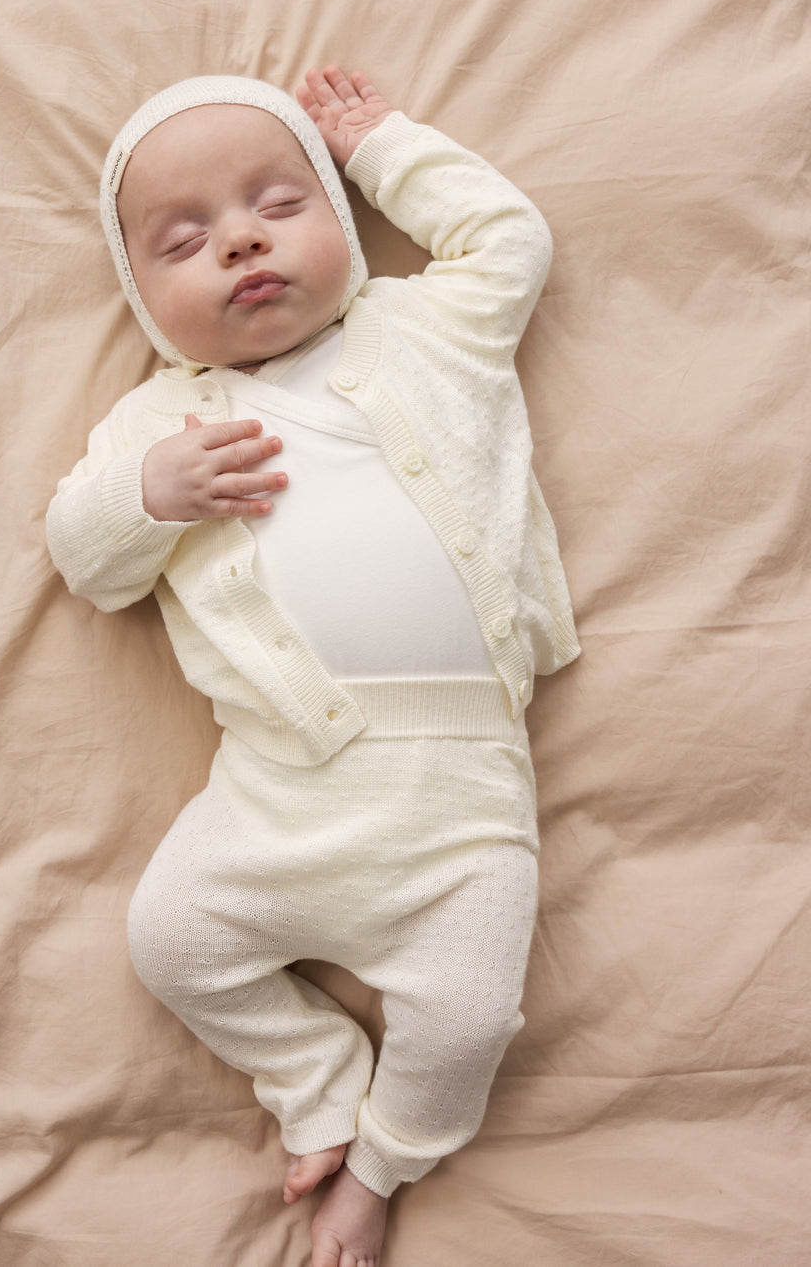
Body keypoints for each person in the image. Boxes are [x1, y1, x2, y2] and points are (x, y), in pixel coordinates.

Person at [46, 65, 579, 1267]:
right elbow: (85, 560)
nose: (238, 241)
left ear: (341, 225)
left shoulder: (424, 331)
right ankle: (317, 1077)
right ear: (140, 295)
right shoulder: (157, 423)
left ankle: (383, 1164)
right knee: (170, 942)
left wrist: (380, 144)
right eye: (184, 241)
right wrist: (149, 496)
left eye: (278, 205)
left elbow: (508, 240)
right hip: (279, 783)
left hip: (461, 793)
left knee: (467, 1017)